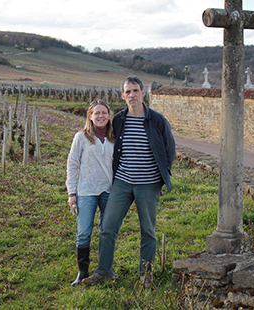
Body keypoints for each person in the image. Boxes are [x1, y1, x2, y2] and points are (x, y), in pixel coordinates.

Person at [82, 77, 176, 288]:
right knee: (107, 227)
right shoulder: (119, 120)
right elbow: (103, 139)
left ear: (143, 93)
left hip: (149, 184)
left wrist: (162, 179)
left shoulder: (157, 120)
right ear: (122, 96)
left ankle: (146, 275)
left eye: (136, 90)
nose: (132, 95)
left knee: (148, 231)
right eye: (128, 91)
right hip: (122, 183)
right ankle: (104, 271)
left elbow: (170, 151)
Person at [66, 99, 115, 286]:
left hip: (109, 191)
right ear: (90, 116)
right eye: (97, 113)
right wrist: (72, 193)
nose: (101, 116)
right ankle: (82, 272)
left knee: (107, 231)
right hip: (86, 191)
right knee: (84, 232)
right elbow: (72, 165)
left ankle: (106, 269)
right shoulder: (81, 137)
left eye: (104, 113)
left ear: (109, 116)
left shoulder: (114, 137)